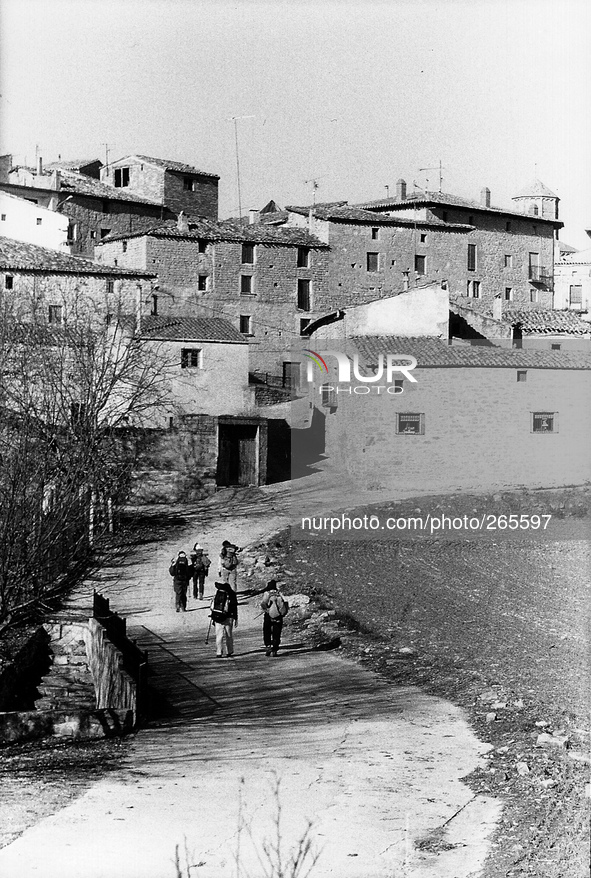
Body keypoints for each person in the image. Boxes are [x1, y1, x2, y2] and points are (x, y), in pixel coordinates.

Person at [260, 579, 289, 657]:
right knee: (277, 633)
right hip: (278, 616)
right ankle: (275, 649)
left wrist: (266, 610)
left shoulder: (267, 593)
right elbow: (285, 603)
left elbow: (263, 604)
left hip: (268, 616)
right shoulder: (280, 594)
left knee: (267, 631)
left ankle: (268, 646)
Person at [210, 580, 238, 657]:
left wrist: (213, 619)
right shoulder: (232, 594)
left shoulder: (218, 594)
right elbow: (234, 607)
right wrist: (235, 618)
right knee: (228, 635)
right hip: (228, 618)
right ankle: (229, 651)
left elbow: (213, 607)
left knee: (219, 635)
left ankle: (219, 652)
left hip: (218, 617)